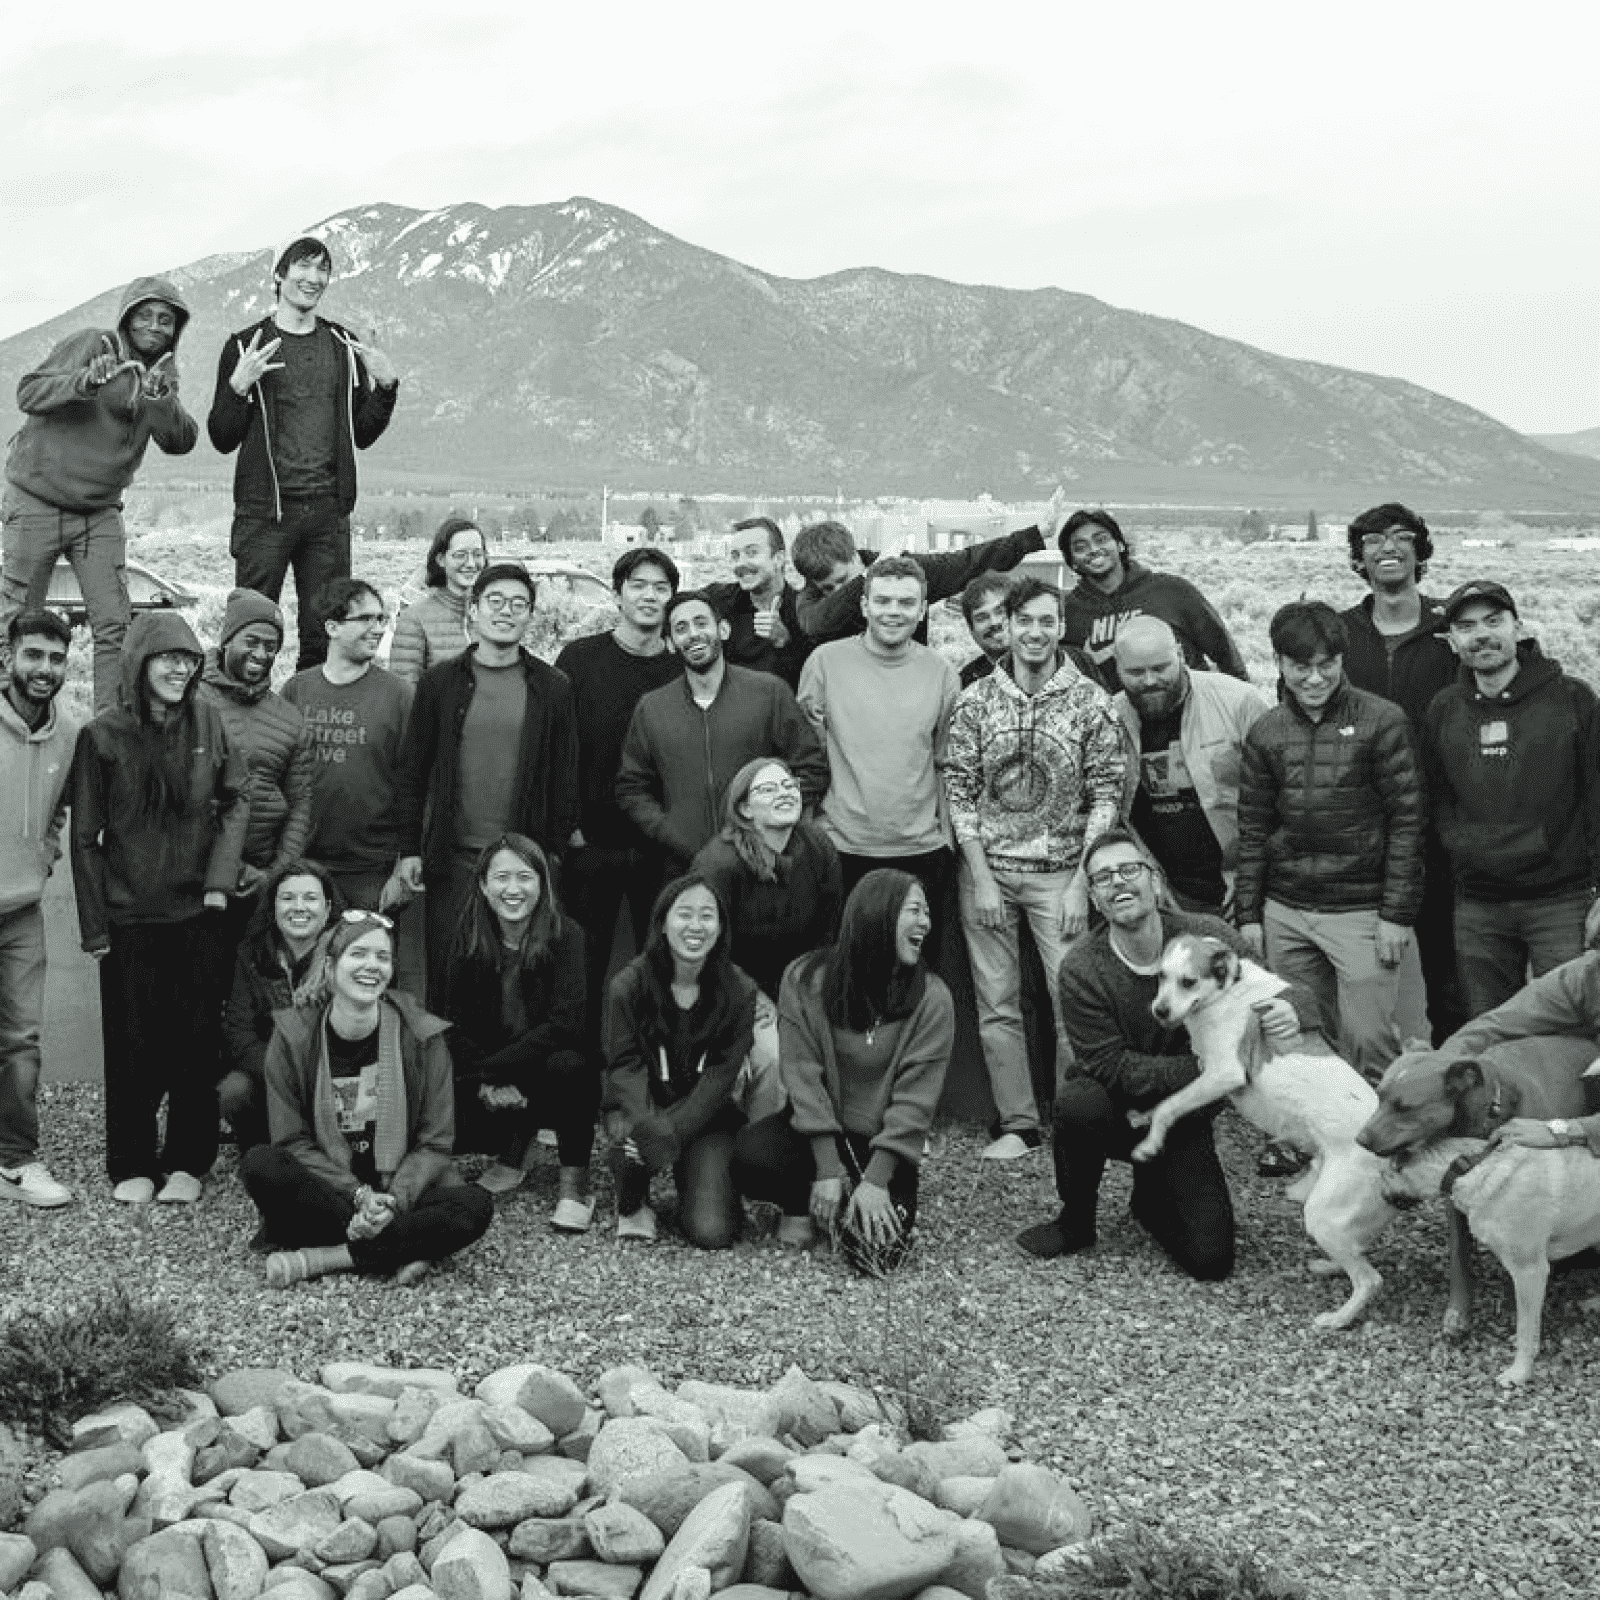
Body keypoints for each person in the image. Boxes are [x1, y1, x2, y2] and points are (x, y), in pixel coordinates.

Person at [1014, 830, 1316, 1276]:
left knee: (1211, 1261)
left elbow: (1284, 991)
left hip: (1184, 1117)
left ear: (1154, 881)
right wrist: (1209, 1066)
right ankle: (1076, 1219)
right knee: (1077, 1102)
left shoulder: (1209, 937)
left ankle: (1150, 1195)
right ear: (1094, 899)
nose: (1119, 882)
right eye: (1103, 878)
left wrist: (1290, 1011)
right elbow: (1109, 1065)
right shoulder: (1081, 968)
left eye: (1129, 869)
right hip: (1112, 1106)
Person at [945, 577, 1128, 1159]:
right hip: (989, 871)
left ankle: (1077, 1121)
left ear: (1061, 627)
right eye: (1023, 620)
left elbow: (1108, 793)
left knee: (1070, 999)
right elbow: (960, 792)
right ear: (1009, 624)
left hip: (1062, 874)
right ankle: (1018, 1123)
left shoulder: (1090, 701)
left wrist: (1083, 883)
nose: (1034, 632)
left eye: (1046, 621)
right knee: (997, 1002)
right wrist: (978, 875)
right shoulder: (975, 700)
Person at [71, 612, 249, 1204]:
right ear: (140, 662)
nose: (181, 667)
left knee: (197, 1043)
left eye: (190, 658)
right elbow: (86, 837)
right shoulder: (102, 735)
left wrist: (219, 882)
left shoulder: (209, 721)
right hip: (129, 918)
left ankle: (186, 1163)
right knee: (131, 1046)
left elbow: (235, 798)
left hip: (197, 913)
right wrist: (95, 923)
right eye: (168, 657)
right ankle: (132, 1164)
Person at [240, 909, 493, 1288]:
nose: (371, 966)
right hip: (333, 1192)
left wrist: (392, 1201)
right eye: (358, 954)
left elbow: (435, 1143)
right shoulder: (293, 1035)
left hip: (402, 1185)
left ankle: (328, 1258)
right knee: (262, 1165)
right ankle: (408, 1248)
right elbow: (291, 1139)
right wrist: (359, 1196)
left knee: (475, 1206)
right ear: (329, 966)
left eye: (383, 957)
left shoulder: (423, 1035)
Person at [1235, 601, 1425, 1082]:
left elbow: (1408, 820)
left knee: (1369, 1038)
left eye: (1327, 665)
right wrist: (1249, 915)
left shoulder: (1383, 721)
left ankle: (1382, 1143)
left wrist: (1396, 915)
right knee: (1300, 1036)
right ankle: (1320, 1142)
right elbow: (1254, 828)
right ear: (1279, 663)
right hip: (1287, 910)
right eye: (1301, 667)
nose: (1315, 679)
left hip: (1361, 910)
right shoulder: (1266, 732)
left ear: (1342, 660)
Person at [733, 870, 953, 1273]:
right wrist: (828, 1169)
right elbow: (802, 1078)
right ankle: (803, 1200)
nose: (926, 922)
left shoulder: (933, 999)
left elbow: (916, 1103)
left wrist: (875, 1182)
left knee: (875, 1260)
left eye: (928, 913)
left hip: (882, 1142)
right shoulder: (804, 979)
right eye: (915, 910)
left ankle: (847, 1202)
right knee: (750, 1158)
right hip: (816, 1131)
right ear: (877, 914)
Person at [2, 277, 198, 714]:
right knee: (17, 621)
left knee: (114, 624)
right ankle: (10, 721)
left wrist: (161, 400)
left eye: (165, 320)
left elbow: (181, 440)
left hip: (99, 512)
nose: (154, 326)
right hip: (38, 498)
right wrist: (84, 381)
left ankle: (108, 730)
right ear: (127, 318)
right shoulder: (94, 345)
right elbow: (28, 392)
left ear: (175, 330)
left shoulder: (162, 376)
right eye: (145, 315)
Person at [207, 237, 399, 670]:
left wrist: (386, 388)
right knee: (250, 631)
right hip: (264, 514)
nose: (313, 278)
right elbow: (221, 436)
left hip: (327, 516)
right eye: (303, 267)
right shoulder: (245, 345)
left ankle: (309, 727)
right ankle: (240, 728)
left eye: (322, 270)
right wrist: (238, 388)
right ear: (279, 275)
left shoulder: (341, 346)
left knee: (325, 635)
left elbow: (363, 433)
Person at [394, 562, 579, 1007]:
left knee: (521, 986)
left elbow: (564, 777)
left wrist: (550, 855)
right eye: (495, 602)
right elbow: (413, 772)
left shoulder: (552, 688)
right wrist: (409, 851)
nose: (506, 612)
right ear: (473, 611)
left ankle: (511, 1073)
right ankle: (452, 1076)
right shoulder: (441, 683)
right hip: (453, 859)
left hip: (524, 864)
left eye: (519, 604)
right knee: (450, 980)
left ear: (530, 616)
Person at [1422, 579, 1600, 1017]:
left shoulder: (1573, 700)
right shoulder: (1443, 710)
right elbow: (1435, 800)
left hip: (1562, 902)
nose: (1482, 634)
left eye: (1494, 621)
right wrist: (1459, 852)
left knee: (1573, 1030)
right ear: (1452, 642)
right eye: (1466, 626)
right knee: (1491, 1031)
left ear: (1517, 627)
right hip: (1479, 905)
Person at [1338, 503, 1462, 1042]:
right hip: (1362, 830)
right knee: (1369, 974)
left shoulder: (1452, 630)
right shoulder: (1340, 634)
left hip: (1443, 828)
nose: (1388, 547)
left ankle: (1458, 1081)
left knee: (1449, 967)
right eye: (1372, 540)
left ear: (1420, 550)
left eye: (1401, 537)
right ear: (1358, 558)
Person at [797, 557, 959, 962]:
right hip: (841, 848)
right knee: (844, 971)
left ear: (922, 611)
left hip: (920, 851)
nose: (893, 612)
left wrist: (949, 843)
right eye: (883, 600)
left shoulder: (941, 674)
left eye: (906, 603)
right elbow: (806, 756)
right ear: (864, 605)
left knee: (913, 975)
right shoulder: (824, 663)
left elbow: (946, 763)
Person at [555, 547, 683, 1045]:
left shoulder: (680, 670)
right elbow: (559, 746)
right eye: (639, 586)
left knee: (664, 971)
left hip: (662, 848)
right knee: (582, 974)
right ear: (618, 593)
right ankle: (580, 1099)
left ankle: (655, 1092)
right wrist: (570, 825)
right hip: (592, 843)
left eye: (661, 588)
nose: (649, 597)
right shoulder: (581, 659)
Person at [616, 590, 828, 877]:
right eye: (681, 628)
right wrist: (669, 831)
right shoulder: (652, 708)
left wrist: (770, 821)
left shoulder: (769, 693)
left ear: (723, 630)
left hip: (763, 864)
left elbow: (811, 768)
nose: (693, 634)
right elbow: (632, 787)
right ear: (669, 644)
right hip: (683, 865)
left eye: (701, 623)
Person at [444, 834, 595, 1225]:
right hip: (491, 1072)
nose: (513, 889)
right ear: (483, 885)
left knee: (570, 1065)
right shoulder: (465, 939)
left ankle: (575, 1184)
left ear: (543, 884)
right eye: (501, 877)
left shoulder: (568, 936)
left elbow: (565, 1026)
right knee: (442, 1086)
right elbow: (451, 1024)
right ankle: (514, 1148)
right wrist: (484, 1079)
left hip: (545, 1068)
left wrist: (495, 1071)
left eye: (525, 877)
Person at [601, 874, 758, 1247]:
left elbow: (722, 1077)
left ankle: (695, 1179)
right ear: (663, 923)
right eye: (684, 914)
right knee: (627, 1144)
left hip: (707, 1115)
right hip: (642, 1108)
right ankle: (634, 1195)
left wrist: (670, 1133)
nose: (695, 926)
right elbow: (624, 1064)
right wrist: (649, 1126)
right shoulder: (629, 985)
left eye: (707, 916)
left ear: (720, 928)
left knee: (712, 1233)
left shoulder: (740, 991)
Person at [282, 579, 419, 986]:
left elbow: (415, 786)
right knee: (306, 987)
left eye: (383, 618)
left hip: (373, 869)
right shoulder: (297, 690)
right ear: (331, 627)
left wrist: (402, 867)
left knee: (368, 983)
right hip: (307, 869)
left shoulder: (398, 695)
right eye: (366, 619)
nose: (378, 628)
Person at [196, 589, 315, 988]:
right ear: (227, 639)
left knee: (254, 995)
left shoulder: (289, 719)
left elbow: (301, 802)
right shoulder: (192, 701)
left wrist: (276, 873)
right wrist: (227, 865)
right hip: (196, 878)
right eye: (253, 641)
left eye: (272, 646)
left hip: (261, 885)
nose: (262, 654)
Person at [1112, 616, 1269, 917]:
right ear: (1117, 667)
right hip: (1167, 894)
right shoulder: (1109, 718)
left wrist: (1252, 877)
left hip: (1244, 883)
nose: (1149, 681)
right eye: (1135, 672)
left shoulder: (1238, 702)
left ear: (1181, 655)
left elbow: (1279, 798)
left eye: (1160, 668)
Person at [0, 610, 78, 1208]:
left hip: (22, 912)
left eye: (54, 658)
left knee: (21, 1041)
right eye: (33, 655)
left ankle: (16, 1159)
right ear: (9, 656)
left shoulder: (70, 734)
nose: (43, 669)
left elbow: (57, 813)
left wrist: (44, 857)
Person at [791, 505, 1049, 648]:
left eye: (844, 579)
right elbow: (815, 623)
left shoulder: (907, 570)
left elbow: (969, 561)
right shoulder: (812, 596)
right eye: (829, 588)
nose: (837, 591)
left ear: (855, 556)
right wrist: (866, 578)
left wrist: (1032, 537)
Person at [221, 860, 343, 1158]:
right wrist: (284, 1073)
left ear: (327, 909)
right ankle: (259, 1153)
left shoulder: (346, 956)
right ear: (273, 907)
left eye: (310, 898)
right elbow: (239, 1034)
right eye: (288, 898)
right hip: (269, 1074)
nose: (298, 907)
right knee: (234, 1090)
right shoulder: (251, 955)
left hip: (330, 1081)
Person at [1057, 509, 1247, 693]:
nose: (1094, 550)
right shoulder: (1070, 612)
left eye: (1101, 540)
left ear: (1120, 545)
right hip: (1117, 719)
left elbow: (1224, 651)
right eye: (1080, 547)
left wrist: (1242, 702)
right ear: (1072, 561)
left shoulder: (1172, 591)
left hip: (1187, 710)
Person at [703, 517, 812, 688]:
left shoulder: (805, 611)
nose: (741, 563)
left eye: (752, 553)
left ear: (778, 558)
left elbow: (810, 682)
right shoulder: (716, 601)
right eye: (735, 556)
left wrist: (783, 641)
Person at [388, 516, 487, 688]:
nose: (471, 563)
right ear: (441, 559)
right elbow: (405, 691)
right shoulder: (415, 619)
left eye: (477, 554)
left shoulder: (491, 615)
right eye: (460, 555)